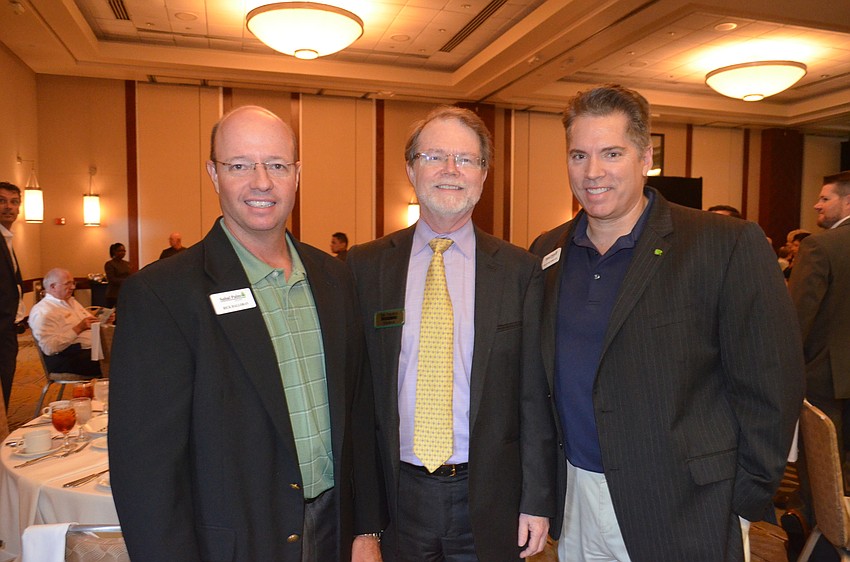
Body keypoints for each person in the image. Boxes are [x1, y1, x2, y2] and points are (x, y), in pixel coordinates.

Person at [529, 85, 804, 561]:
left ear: (645, 158)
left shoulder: (723, 244)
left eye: (611, 153)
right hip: (575, 496)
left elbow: (772, 383)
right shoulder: (546, 251)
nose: (592, 172)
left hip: (686, 504)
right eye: (579, 155)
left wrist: (743, 500)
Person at [109, 105, 384, 562]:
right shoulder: (161, 295)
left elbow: (358, 413)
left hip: (335, 528)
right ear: (213, 174)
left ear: (297, 175)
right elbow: (145, 471)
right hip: (232, 543)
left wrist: (366, 530)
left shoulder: (335, 278)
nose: (261, 182)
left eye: (277, 165)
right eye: (240, 165)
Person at [348, 106, 556, 561]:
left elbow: (534, 397)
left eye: (465, 159)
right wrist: (363, 522)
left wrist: (537, 501)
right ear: (411, 169)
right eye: (434, 156)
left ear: (483, 174)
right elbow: (356, 403)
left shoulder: (520, 272)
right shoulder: (365, 267)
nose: (450, 170)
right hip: (396, 498)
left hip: (491, 498)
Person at [789, 171, 850, 478]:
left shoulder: (820, 246)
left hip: (827, 375)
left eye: (825, 198)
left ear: (848, 202)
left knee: (824, 468)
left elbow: (797, 316)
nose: (817, 205)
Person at [28, 268, 101, 377]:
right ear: (53, 286)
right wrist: (78, 328)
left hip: (92, 349)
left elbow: (88, 321)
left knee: (122, 351)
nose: (73, 287)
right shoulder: (43, 311)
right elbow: (49, 348)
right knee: (118, 360)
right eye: (67, 284)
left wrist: (101, 319)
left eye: (73, 283)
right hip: (67, 358)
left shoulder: (71, 301)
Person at [0, 182, 24, 408]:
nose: (8, 207)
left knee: (5, 381)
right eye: (1, 201)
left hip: (8, 327)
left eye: (14, 202)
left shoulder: (6, 238)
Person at [103, 242, 132, 307]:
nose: (123, 253)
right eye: (120, 251)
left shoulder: (127, 263)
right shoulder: (110, 264)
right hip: (114, 294)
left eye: (124, 251)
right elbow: (112, 279)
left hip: (125, 292)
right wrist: (126, 281)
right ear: (114, 252)